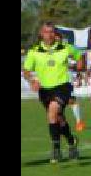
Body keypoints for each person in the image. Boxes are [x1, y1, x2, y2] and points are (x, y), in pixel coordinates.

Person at [22, 22, 82, 163]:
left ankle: (56, 149)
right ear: (41, 34)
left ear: (55, 34)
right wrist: (32, 81)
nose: (49, 35)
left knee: (52, 112)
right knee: (58, 119)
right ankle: (72, 141)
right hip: (45, 90)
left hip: (62, 87)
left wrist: (80, 65)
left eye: (51, 32)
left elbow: (79, 55)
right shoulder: (34, 51)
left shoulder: (65, 47)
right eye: (46, 32)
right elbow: (26, 70)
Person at [55, 30, 86, 132]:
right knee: (56, 102)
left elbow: (79, 60)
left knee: (71, 100)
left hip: (67, 78)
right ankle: (60, 122)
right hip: (55, 79)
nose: (55, 39)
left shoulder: (68, 48)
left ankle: (79, 121)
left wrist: (75, 68)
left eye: (57, 37)